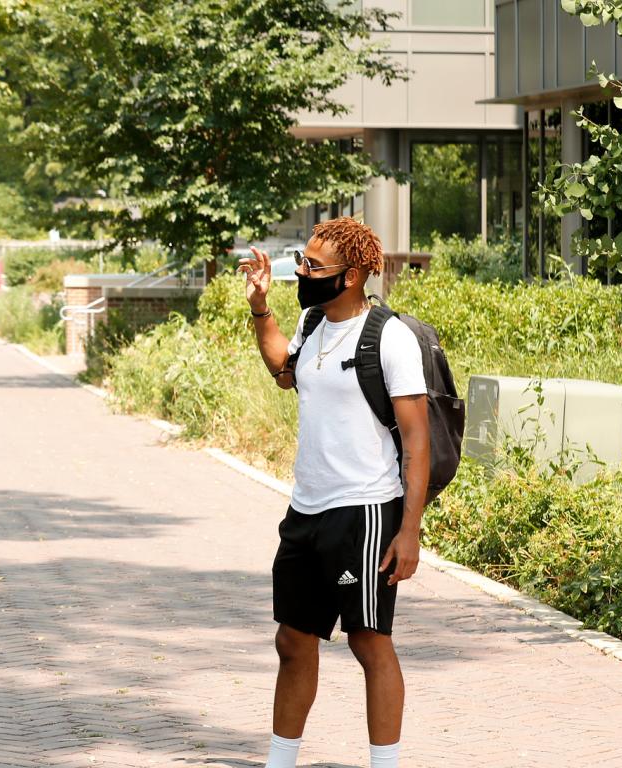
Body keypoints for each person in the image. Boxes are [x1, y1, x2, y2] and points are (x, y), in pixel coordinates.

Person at [237, 218, 430, 768]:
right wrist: (260, 307)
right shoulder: (312, 321)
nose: (301, 271)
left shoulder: (390, 338)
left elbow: (417, 442)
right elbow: (284, 370)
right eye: (302, 260)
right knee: (292, 641)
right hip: (307, 509)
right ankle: (280, 762)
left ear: (352, 275)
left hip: (366, 511)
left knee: (369, 643)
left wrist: (409, 531)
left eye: (313, 267)